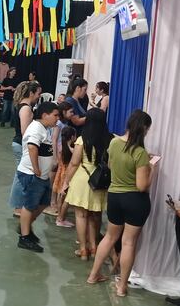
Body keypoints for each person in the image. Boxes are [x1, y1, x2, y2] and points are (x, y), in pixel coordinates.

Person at [88, 110, 153, 297]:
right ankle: (122, 286)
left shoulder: (114, 143)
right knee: (128, 243)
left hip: (114, 197)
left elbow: (109, 166)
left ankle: (93, 275)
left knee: (109, 237)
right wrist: (152, 170)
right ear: (145, 128)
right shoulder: (140, 153)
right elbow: (142, 186)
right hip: (135, 200)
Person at [62, 108, 112, 261]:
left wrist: (66, 181)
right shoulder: (110, 139)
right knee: (95, 215)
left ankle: (83, 249)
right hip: (100, 181)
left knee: (81, 215)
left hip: (83, 179)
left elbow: (74, 163)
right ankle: (95, 247)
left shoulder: (83, 140)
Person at [16, 102, 59, 253]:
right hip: (32, 174)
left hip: (41, 176)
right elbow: (32, 147)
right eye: (55, 115)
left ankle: (24, 226)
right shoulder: (36, 128)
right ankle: (24, 237)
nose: (57, 119)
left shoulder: (44, 129)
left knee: (43, 202)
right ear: (45, 115)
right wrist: (36, 169)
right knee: (30, 205)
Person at [8, 81, 42, 217]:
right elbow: (25, 131)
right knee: (21, 176)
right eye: (38, 94)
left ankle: (19, 205)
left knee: (22, 175)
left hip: (21, 144)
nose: (39, 96)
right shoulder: (25, 108)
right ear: (31, 93)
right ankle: (17, 206)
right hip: (22, 145)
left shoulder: (24, 106)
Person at [53, 126, 76, 228]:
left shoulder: (59, 147)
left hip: (60, 172)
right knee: (65, 197)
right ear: (72, 137)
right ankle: (60, 219)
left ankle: (59, 216)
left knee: (60, 196)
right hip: (67, 174)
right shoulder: (72, 150)